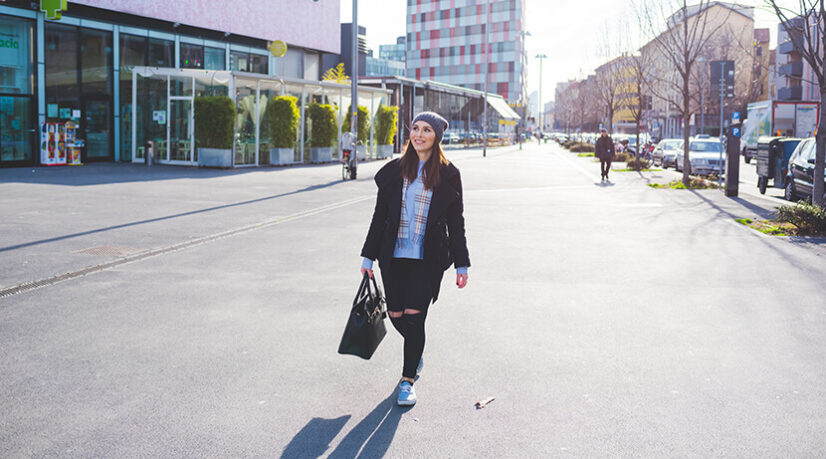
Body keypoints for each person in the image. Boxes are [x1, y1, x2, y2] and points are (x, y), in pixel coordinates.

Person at [359, 111, 470, 406]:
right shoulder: (394, 171)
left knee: (415, 316)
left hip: (428, 258)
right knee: (396, 314)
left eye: (427, 130)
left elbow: (456, 222)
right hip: (393, 256)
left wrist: (462, 263)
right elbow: (379, 217)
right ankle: (415, 351)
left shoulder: (448, 174)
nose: (419, 134)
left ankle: (407, 380)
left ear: (437, 137)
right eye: (416, 128)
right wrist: (368, 257)